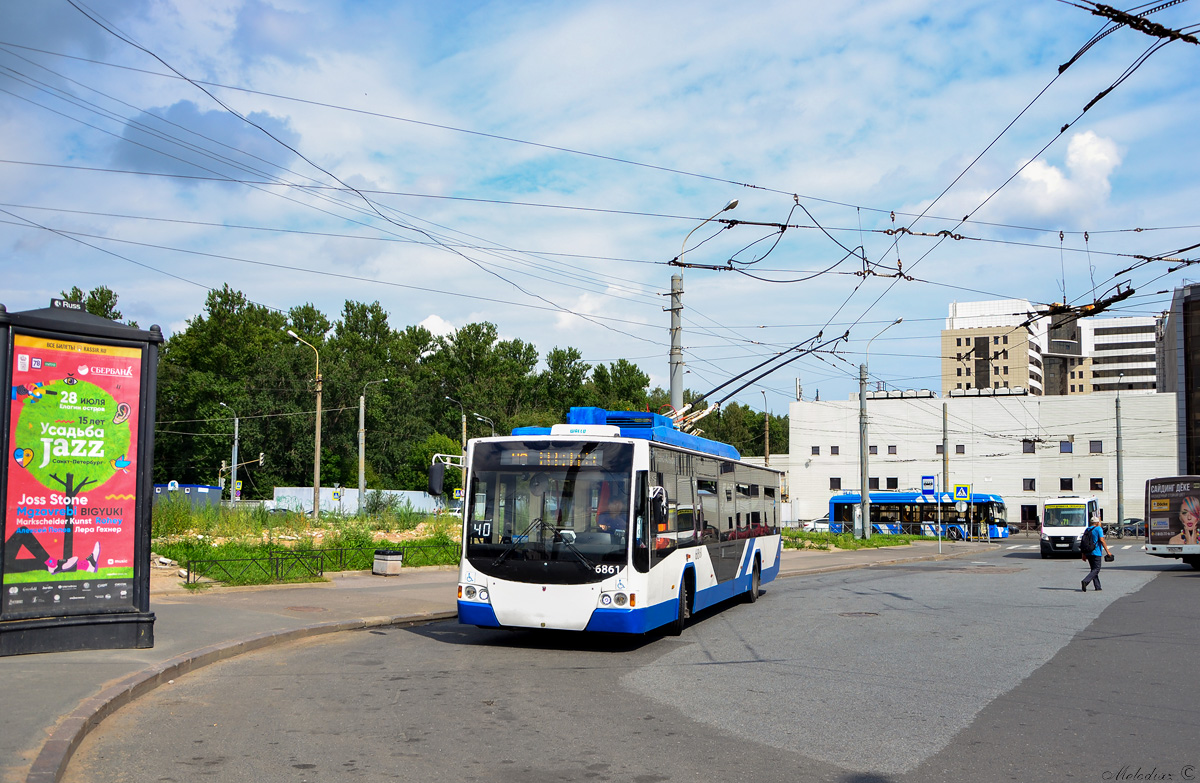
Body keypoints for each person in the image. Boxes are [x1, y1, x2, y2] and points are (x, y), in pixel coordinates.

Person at [1081, 513, 1112, 592]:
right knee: (1097, 569)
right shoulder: (1098, 529)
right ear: (1097, 523)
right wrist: (1108, 551)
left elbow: (1084, 542)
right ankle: (1085, 581)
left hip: (1088, 552)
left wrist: (1083, 554)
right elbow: (1102, 540)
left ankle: (1097, 586)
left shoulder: (1087, 529)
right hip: (1096, 552)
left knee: (1093, 570)